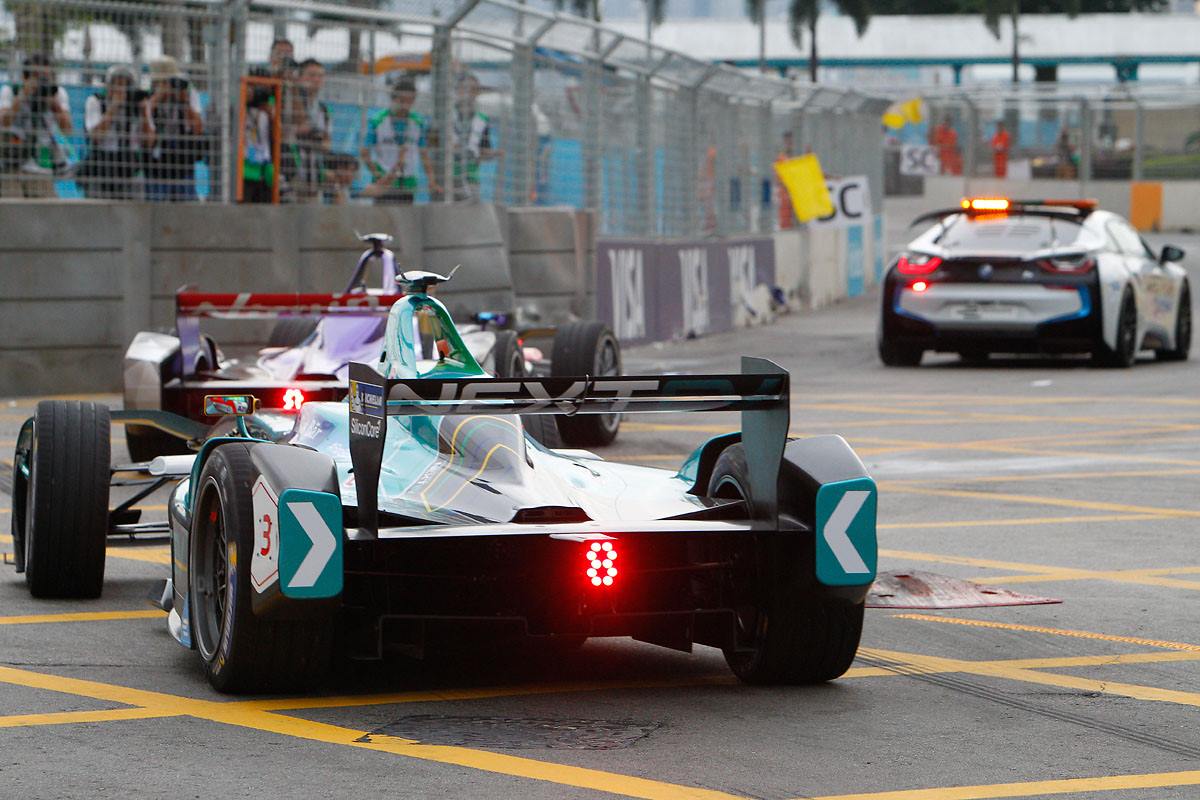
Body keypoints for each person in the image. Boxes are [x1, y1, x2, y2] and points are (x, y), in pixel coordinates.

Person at [0, 53, 72, 198]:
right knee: (12, 213)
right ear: (25, 77)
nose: (42, 81)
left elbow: (68, 130)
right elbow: (4, 122)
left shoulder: (57, 93)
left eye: (46, 76)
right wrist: (22, 96)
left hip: (41, 164)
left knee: (46, 215)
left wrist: (54, 104)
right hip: (12, 163)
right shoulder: (11, 91)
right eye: (37, 76)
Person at [361, 76, 439, 204]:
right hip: (384, 181)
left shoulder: (418, 122)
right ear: (393, 98)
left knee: (406, 220)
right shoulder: (377, 120)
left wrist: (431, 180)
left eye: (410, 101)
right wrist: (377, 174)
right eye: (401, 100)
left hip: (408, 182)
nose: (405, 105)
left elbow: (424, 154)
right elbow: (364, 152)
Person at [80, 64, 153, 199]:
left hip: (129, 163)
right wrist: (113, 107)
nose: (121, 90)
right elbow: (95, 136)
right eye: (117, 85)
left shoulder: (138, 104)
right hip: (102, 163)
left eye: (125, 85)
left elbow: (149, 142)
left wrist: (144, 114)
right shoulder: (96, 101)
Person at [144, 57, 205, 201]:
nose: (166, 85)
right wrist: (157, 98)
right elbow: (145, 131)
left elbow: (198, 128)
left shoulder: (188, 93)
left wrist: (184, 101)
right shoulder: (148, 94)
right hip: (157, 162)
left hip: (182, 158)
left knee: (186, 206)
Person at [446, 72, 500, 202]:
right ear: (457, 90)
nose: (470, 93)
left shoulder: (482, 120)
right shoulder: (446, 115)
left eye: (474, 90)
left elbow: (482, 150)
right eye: (466, 88)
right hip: (447, 178)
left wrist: (493, 153)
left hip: (471, 179)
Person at [288, 58, 331, 201]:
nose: (316, 80)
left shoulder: (323, 110)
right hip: (290, 173)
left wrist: (312, 138)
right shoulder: (287, 103)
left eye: (320, 76)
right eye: (311, 75)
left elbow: (327, 145)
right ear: (299, 78)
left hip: (314, 175)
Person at [242, 86, 274, 203]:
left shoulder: (268, 108)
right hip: (245, 168)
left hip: (265, 168)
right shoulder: (241, 109)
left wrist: (269, 113)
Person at [775, 131, 796, 230]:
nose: (790, 144)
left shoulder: (802, 157)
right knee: (786, 221)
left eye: (791, 141)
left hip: (801, 193)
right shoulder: (782, 158)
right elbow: (780, 179)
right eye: (787, 142)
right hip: (786, 194)